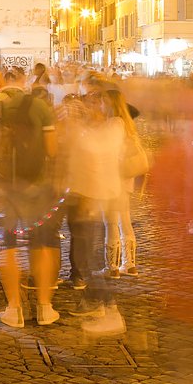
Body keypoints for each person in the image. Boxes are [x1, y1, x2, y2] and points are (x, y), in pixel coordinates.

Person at [0, 65, 61, 328]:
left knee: (9, 245)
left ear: (3, 80)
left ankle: (14, 308)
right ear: (23, 81)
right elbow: (52, 150)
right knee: (41, 243)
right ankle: (45, 308)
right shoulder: (39, 106)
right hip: (37, 182)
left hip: (7, 183)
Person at [63, 92, 127, 335]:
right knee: (85, 255)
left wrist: (75, 127)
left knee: (90, 259)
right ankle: (93, 302)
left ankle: (110, 310)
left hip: (94, 199)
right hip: (84, 196)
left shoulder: (114, 127)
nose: (88, 107)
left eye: (93, 102)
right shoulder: (96, 129)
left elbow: (94, 152)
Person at [102, 87, 145, 278]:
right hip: (126, 178)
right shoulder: (128, 124)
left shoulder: (113, 124)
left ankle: (112, 267)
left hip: (114, 178)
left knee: (111, 221)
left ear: (109, 103)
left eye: (103, 101)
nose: (101, 105)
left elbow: (108, 152)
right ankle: (130, 264)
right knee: (125, 221)